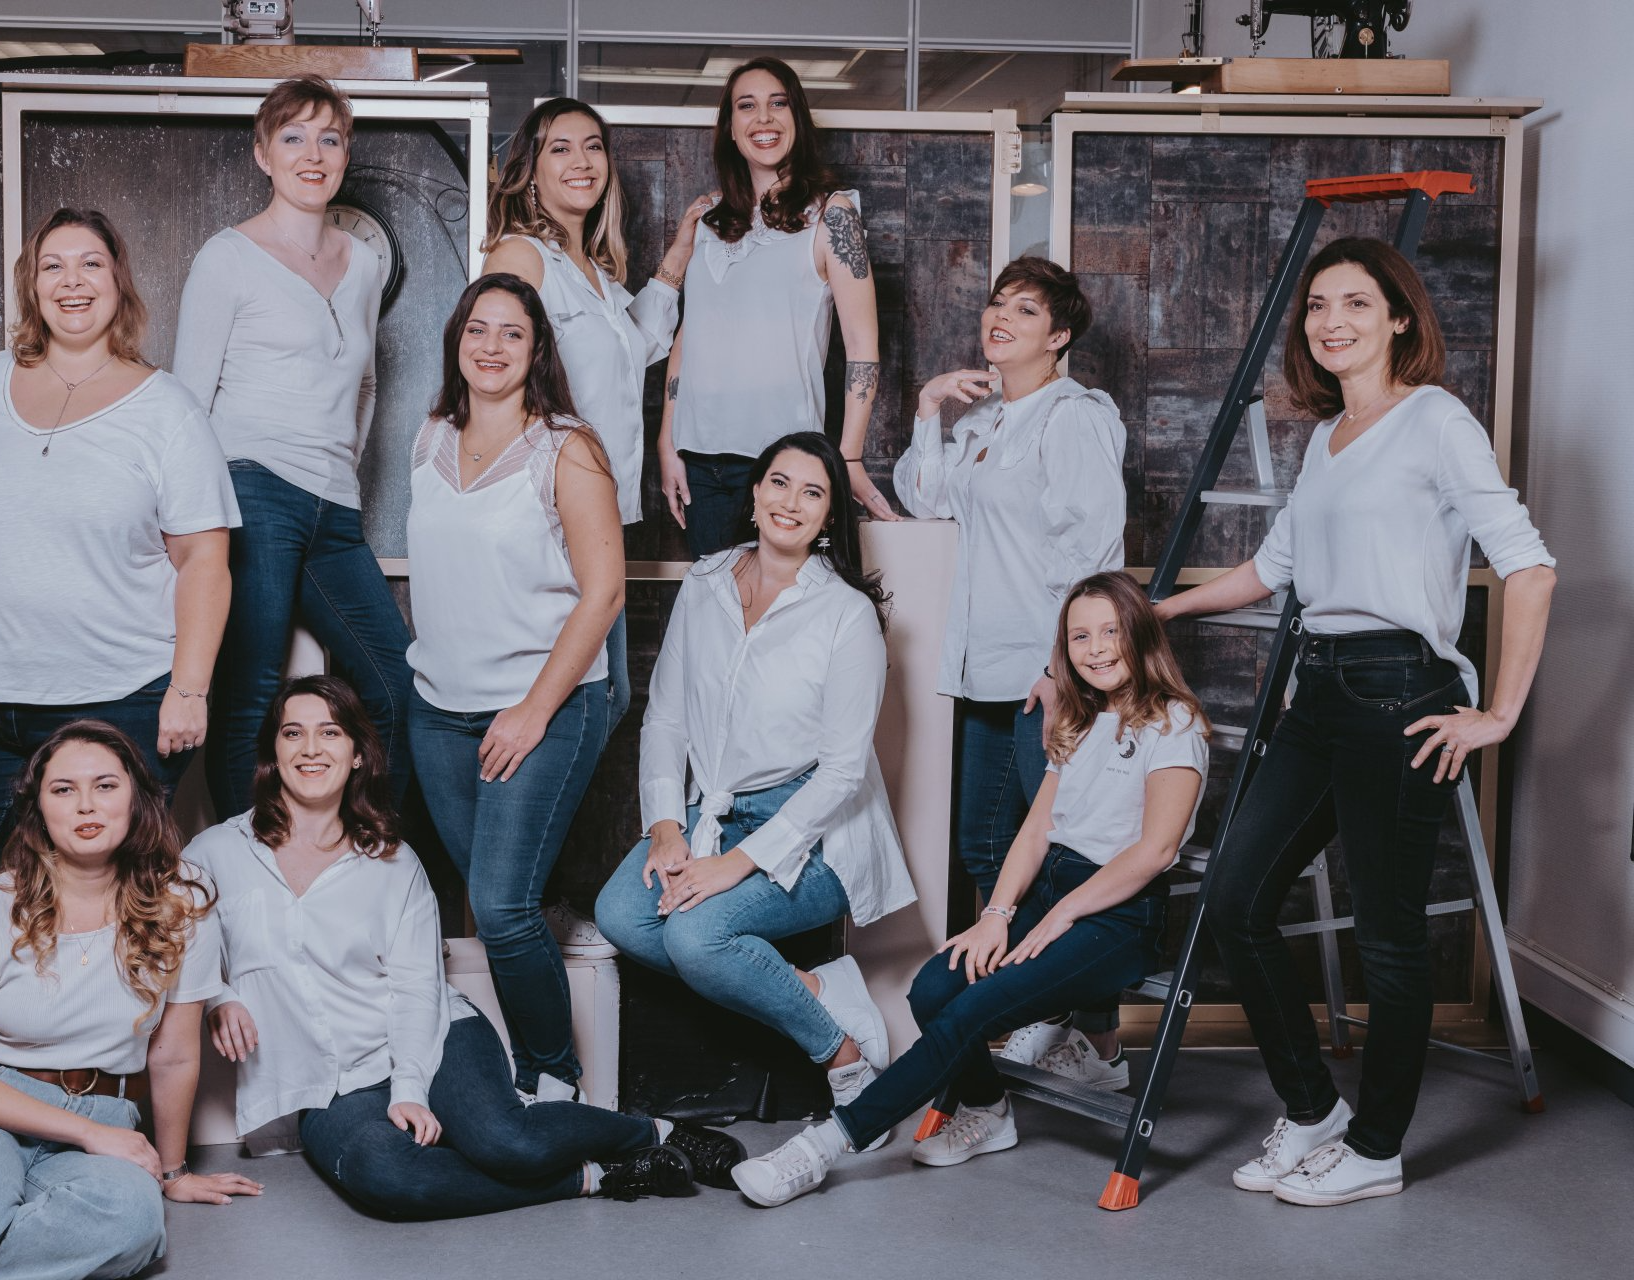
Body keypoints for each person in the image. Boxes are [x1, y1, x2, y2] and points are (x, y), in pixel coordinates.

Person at [1155, 236, 1556, 1206]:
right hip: (1320, 691)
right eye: (1317, 306)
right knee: (1233, 897)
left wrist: (1498, 713)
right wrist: (1155, 612)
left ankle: (1375, 1150)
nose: (1331, 322)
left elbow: (1528, 565)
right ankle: (1312, 1112)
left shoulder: (1435, 420)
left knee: (1385, 935)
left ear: (1399, 319)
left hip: (1400, 693)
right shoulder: (1325, 438)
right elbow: (1272, 569)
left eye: (1356, 303)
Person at [0, 207, 237, 1084]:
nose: (72, 281)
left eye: (90, 264)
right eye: (52, 266)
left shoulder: (167, 410)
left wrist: (190, 687)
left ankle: (79, 1102)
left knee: (91, 913)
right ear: (31, 286)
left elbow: (204, 559)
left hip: (110, 705)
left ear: (120, 281)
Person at [729, 572, 1208, 1207]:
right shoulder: (1082, 716)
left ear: (1140, 634)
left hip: (1117, 917)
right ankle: (989, 1109)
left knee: (973, 1010)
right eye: (1079, 636)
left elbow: (1156, 851)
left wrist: (1062, 914)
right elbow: (1036, 831)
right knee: (934, 988)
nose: (1095, 649)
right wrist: (998, 914)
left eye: (1110, 632)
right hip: (1051, 891)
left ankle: (822, 1147)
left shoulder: (1175, 724)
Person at [186, 675, 744, 1219]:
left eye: (330, 732)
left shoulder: (393, 863)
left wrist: (409, 1088)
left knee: (506, 1143)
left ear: (356, 755)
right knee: (388, 1175)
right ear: (274, 752)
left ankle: (655, 1132)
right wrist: (218, 997)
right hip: (326, 1084)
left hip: (434, 1036)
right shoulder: (215, 854)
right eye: (293, 733)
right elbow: (176, 949)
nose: (311, 748)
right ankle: (598, 1177)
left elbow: (416, 989)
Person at [595, 431, 915, 1137]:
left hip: (817, 834)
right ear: (755, 492)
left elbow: (841, 774)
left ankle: (843, 1056)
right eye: (779, 482)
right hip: (712, 812)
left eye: (813, 492)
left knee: (697, 939)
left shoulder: (846, 615)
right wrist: (667, 827)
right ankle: (817, 987)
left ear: (830, 515)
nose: (790, 502)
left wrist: (735, 864)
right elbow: (667, 718)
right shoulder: (705, 583)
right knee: (621, 914)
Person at [0, 721, 260, 1279]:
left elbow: (174, 1055)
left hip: (105, 1109)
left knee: (130, 1228)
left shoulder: (183, 900)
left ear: (137, 798)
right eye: (63, 789)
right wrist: (87, 1133)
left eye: (105, 785)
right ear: (39, 808)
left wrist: (173, 1171)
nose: (86, 804)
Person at [892, 256, 1129, 1086]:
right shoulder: (986, 419)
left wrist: (1063, 668)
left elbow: (1094, 550)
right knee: (987, 848)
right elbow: (926, 500)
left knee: (1067, 852)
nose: (1001, 317)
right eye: (997, 304)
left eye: (1025, 310)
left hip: (1045, 671)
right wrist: (927, 409)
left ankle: (1095, 1038)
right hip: (982, 671)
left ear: (1058, 337)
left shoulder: (1074, 417)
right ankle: (1039, 1008)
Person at [405, 274, 624, 1103]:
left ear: (537, 353)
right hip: (439, 711)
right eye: (478, 329)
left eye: (512, 333)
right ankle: (533, 1075)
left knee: (499, 908)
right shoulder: (430, 435)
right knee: (505, 906)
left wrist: (532, 711)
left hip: (544, 706)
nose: (491, 346)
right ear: (457, 340)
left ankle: (553, 1084)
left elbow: (604, 593)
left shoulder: (567, 448)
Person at [173, 73, 413, 819]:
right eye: (294, 137)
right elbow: (185, 405)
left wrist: (341, 467)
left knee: (397, 684)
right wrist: (194, 528)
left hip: (333, 507)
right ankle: (245, 863)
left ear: (345, 155)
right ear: (263, 154)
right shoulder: (227, 257)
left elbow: (365, 382)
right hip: (252, 490)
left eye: (329, 139)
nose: (314, 154)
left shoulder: (363, 264)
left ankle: (365, 847)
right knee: (249, 693)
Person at [481, 96, 713, 731]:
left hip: (595, 516)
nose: (581, 161)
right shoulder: (522, 257)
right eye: (561, 148)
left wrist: (680, 253)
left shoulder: (596, 277)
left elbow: (639, 345)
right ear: (530, 172)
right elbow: (485, 373)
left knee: (603, 696)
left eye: (593, 147)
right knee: (572, 697)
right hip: (544, 518)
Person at [658, 56, 897, 556]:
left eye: (778, 104)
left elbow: (862, 344)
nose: (763, 118)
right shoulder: (707, 219)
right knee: (715, 599)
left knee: (782, 601)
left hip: (784, 465)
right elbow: (689, 335)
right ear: (730, 128)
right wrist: (668, 439)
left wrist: (849, 456)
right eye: (747, 106)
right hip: (700, 462)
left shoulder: (832, 215)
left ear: (797, 118)